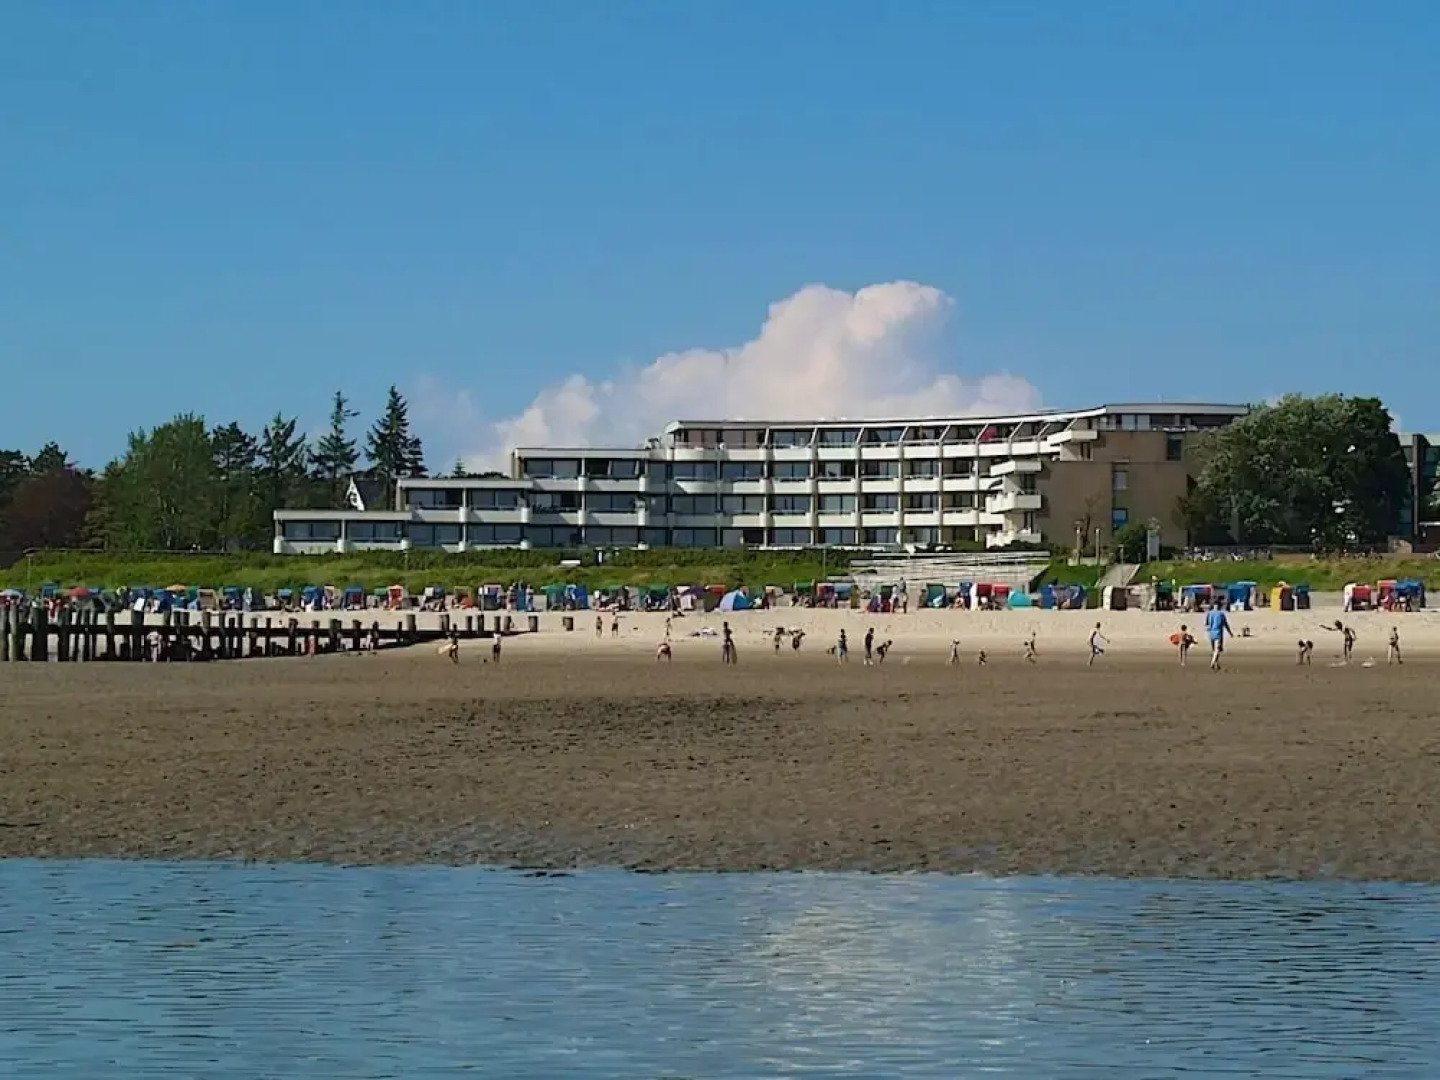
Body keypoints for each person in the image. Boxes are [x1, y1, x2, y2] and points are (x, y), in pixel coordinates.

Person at [1205, 602, 1232, 671]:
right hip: (1218, 634)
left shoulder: (1209, 614)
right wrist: (1230, 633)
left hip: (1211, 634)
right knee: (1217, 650)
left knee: (1214, 650)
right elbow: (1225, 624)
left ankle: (1217, 665)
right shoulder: (1221, 614)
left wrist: (1208, 629)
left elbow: (1206, 625)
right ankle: (1212, 663)